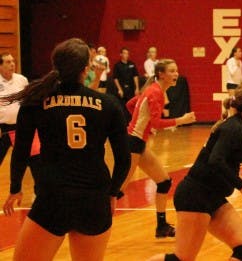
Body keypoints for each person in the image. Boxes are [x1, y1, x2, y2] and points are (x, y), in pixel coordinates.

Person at [2, 38, 130, 261]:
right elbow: (123, 159)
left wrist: (15, 188)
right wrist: (113, 192)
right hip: (94, 199)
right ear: (86, 69)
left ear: (55, 67)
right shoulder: (108, 104)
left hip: (53, 198)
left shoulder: (35, 102)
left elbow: (21, 151)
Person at [149, 83, 242, 261]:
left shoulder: (241, 128)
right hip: (196, 195)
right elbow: (215, 160)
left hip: (213, 197)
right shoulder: (233, 128)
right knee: (181, 259)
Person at [125, 59, 198, 239]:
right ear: (161, 74)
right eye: (172, 71)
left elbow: (130, 105)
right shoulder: (155, 92)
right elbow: (157, 122)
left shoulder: (154, 90)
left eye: (176, 71)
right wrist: (182, 120)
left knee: (164, 182)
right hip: (132, 143)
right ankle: (90, 220)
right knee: (118, 189)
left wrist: (145, 126)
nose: (176, 74)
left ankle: (162, 227)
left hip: (138, 142)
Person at [0, 52, 28, 165]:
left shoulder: (22, 80)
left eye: (13, 61)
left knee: (25, 159)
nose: (12, 64)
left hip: (20, 127)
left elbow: (28, 101)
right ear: (0, 66)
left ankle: (17, 182)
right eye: (8, 62)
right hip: (3, 129)